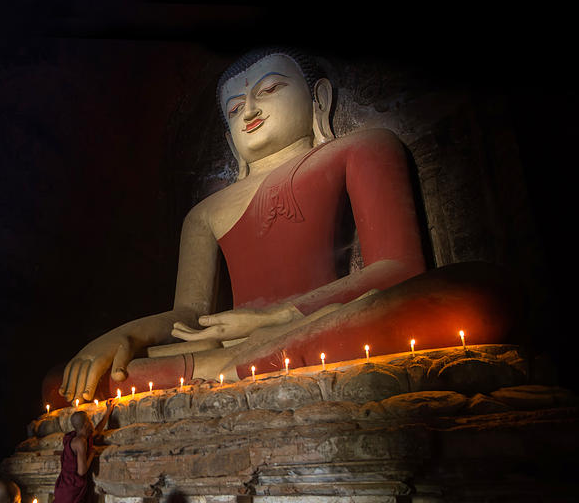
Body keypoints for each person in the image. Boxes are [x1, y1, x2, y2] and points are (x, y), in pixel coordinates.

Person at [55, 47, 513, 404]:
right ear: (228, 135)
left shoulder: (363, 148)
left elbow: (398, 270)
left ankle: (236, 361)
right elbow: (188, 316)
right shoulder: (205, 212)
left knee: (472, 293)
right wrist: (125, 336)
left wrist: (270, 319)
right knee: (68, 380)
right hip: (233, 342)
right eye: (234, 109)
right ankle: (244, 360)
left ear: (320, 98)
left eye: (269, 88)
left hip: (319, 321)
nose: (249, 109)